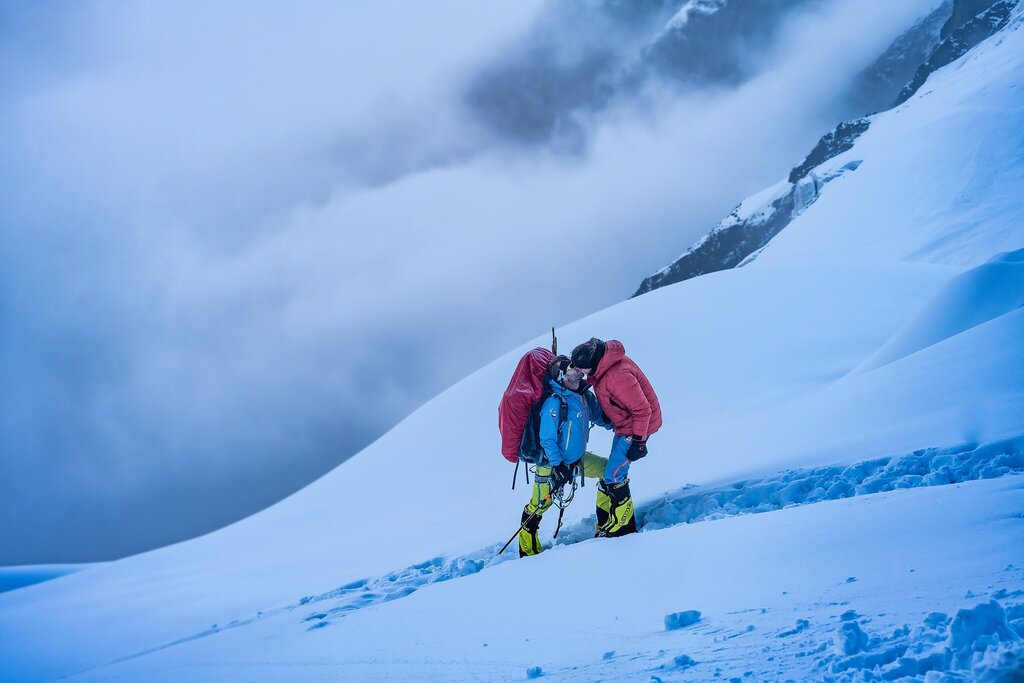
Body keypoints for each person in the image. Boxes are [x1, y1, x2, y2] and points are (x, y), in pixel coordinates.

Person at [518, 356, 610, 557]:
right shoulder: (553, 403)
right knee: (540, 503)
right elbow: (547, 440)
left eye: (576, 370)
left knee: (608, 471)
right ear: (561, 377)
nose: (576, 374)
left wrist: (625, 428)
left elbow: (600, 417)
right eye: (570, 371)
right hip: (551, 465)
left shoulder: (582, 397)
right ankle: (527, 546)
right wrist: (559, 466)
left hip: (576, 460)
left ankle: (606, 525)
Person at [570, 338, 662, 538]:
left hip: (636, 428)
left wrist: (639, 441)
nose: (580, 372)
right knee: (611, 473)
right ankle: (607, 519)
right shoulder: (604, 369)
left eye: (581, 369)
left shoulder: (617, 375)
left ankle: (624, 527)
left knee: (614, 474)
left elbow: (642, 410)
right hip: (626, 426)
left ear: (591, 364)